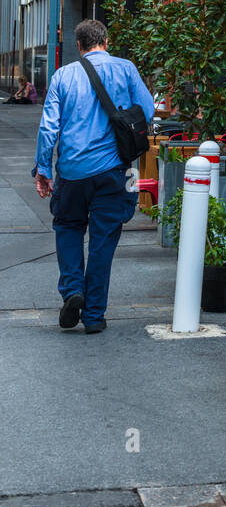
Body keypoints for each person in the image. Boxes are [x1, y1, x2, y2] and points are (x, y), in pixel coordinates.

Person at [33, 18, 155, 333]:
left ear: (80, 46)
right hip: (114, 171)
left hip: (72, 172)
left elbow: (48, 128)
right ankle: (94, 316)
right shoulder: (126, 69)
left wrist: (43, 170)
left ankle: (73, 289)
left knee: (68, 227)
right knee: (104, 239)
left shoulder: (63, 75)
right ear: (106, 41)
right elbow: (148, 110)